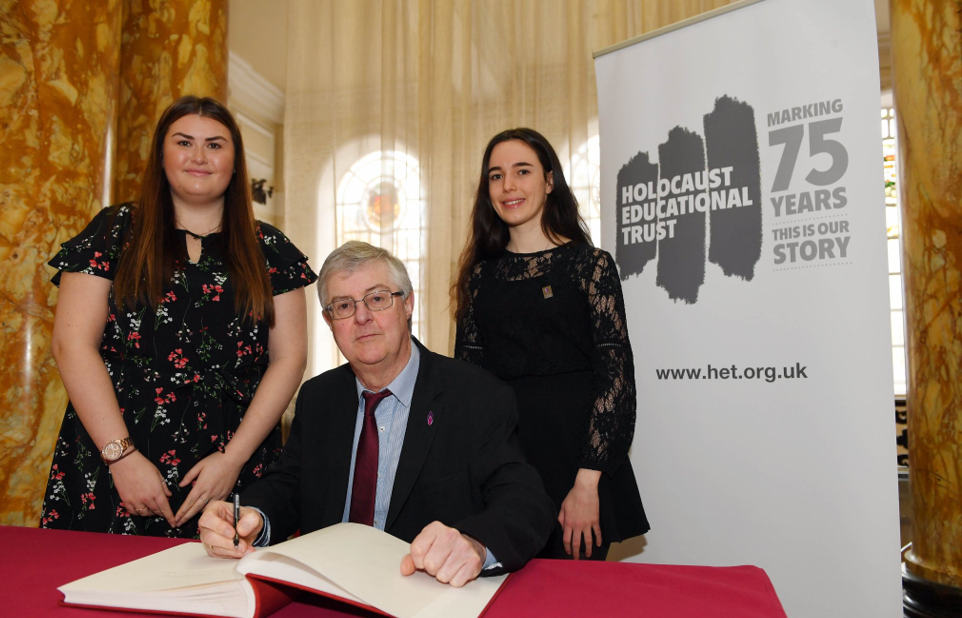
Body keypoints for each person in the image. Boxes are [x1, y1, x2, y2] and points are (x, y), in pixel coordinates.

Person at [199, 241, 555, 586]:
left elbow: (526, 502)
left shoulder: (476, 396)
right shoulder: (319, 396)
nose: (362, 317)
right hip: (325, 592)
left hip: (423, 592)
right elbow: (290, 484)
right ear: (329, 321)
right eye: (343, 306)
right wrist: (250, 518)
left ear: (408, 304)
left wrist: (475, 544)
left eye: (378, 298)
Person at [39, 96, 315, 537]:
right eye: (184, 142)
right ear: (161, 154)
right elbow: (71, 345)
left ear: (235, 160)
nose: (199, 157)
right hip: (116, 459)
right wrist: (122, 457)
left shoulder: (271, 248)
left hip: (230, 463)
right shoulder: (114, 232)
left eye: (215, 145)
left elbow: (289, 359)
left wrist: (233, 459)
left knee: (223, 597)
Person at [452, 128, 649, 561]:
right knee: (504, 607)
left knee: (575, 610)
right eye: (496, 176)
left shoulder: (590, 266)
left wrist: (587, 482)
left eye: (522, 171)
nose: (508, 186)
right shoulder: (480, 276)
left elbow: (615, 379)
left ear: (548, 180)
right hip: (506, 464)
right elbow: (469, 383)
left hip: (578, 465)